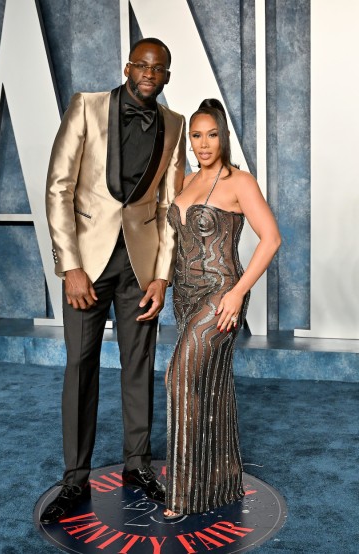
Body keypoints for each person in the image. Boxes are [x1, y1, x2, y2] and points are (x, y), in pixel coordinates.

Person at [41, 38, 186, 525]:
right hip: (88, 263)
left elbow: (169, 208)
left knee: (139, 364)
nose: (150, 73)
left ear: (167, 76)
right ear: (128, 68)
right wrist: (70, 266)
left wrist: (162, 276)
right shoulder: (86, 106)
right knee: (80, 365)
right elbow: (59, 187)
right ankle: (75, 476)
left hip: (139, 269)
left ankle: (138, 465)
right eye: (142, 65)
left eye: (159, 68)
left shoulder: (174, 124)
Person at [164, 99, 281, 518]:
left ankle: (181, 494)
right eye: (196, 135)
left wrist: (237, 294)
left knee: (178, 379)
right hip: (184, 296)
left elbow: (271, 239)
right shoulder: (184, 180)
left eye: (212, 134)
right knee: (208, 385)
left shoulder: (239, 182)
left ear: (224, 136)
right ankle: (220, 480)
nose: (204, 142)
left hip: (222, 293)